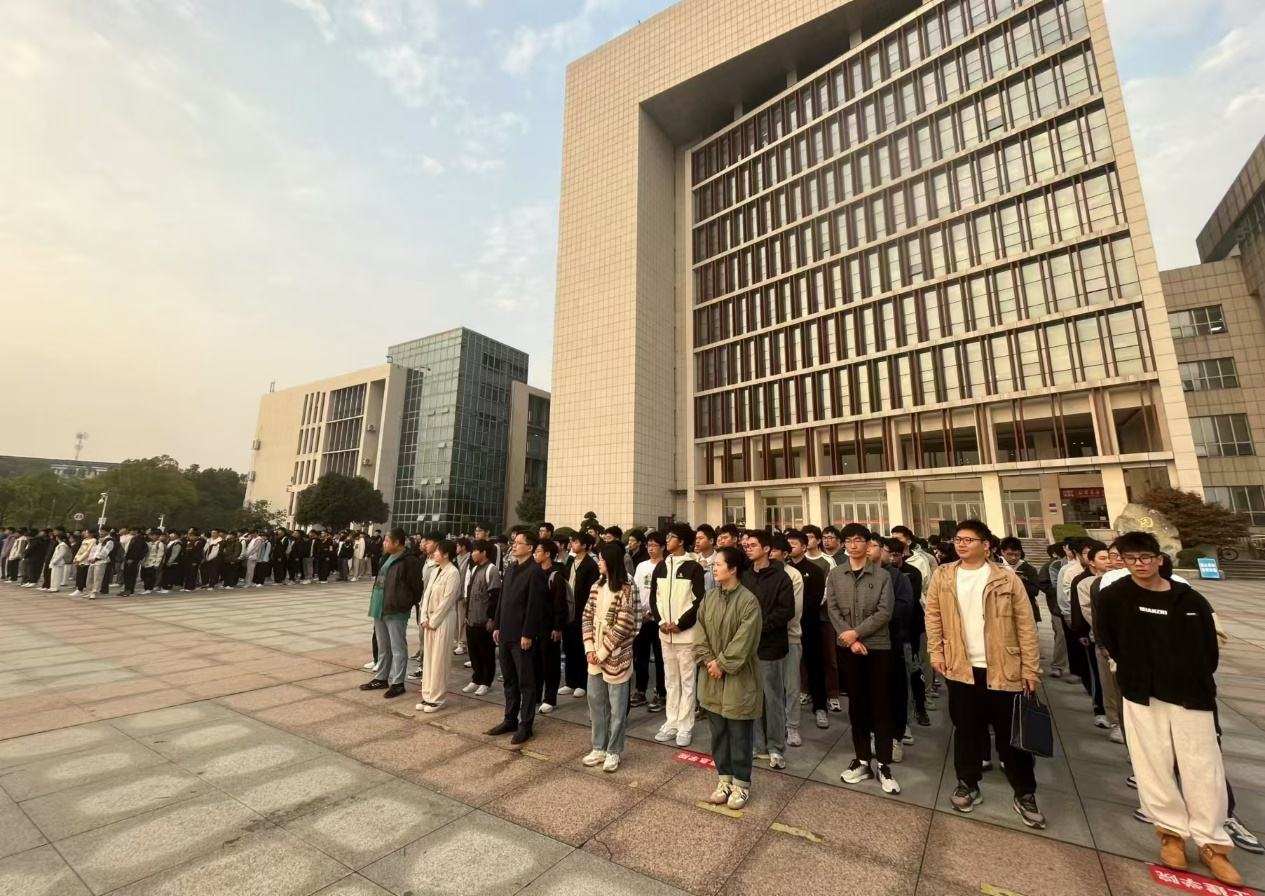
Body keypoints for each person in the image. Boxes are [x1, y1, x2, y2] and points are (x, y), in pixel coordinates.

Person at [1096, 531, 1241, 886]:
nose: (1139, 564)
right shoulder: (1114, 596)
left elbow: (1208, 648)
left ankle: (1211, 842)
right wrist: (1131, 671)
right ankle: (1171, 832)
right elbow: (1108, 638)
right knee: (1152, 764)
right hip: (1142, 692)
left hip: (1191, 693)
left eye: (1145, 557)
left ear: (1159, 559)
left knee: (1203, 766)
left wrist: (1191, 674)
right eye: (1131, 558)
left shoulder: (1187, 597)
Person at [925, 520, 1044, 828]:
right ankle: (968, 783)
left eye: (969, 540)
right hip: (961, 668)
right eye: (958, 540)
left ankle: (1025, 792)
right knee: (966, 731)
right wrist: (936, 653)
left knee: (1011, 736)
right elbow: (933, 616)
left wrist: (1030, 668)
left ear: (986, 545)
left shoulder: (1005, 578)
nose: (961, 544)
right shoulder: (944, 575)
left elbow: (1026, 626)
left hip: (1004, 668)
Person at [827, 524, 899, 794]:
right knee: (856, 705)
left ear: (868, 544)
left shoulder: (882, 576)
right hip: (848, 647)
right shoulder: (835, 574)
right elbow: (833, 608)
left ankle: (884, 764)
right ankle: (862, 760)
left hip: (877, 647)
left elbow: (884, 612)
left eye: (858, 540)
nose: (853, 545)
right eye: (849, 541)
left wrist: (857, 633)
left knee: (881, 705)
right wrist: (851, 639)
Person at [695, 545, 762, 810]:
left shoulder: (748, 601)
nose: (714, 568)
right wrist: (709, 661)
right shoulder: (709, 597)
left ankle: (741, 784)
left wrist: (722, 664)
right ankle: (724, 779)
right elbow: (700, 632)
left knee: (739, 733)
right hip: (711, 676)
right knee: (719, 733)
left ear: (733, 569)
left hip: (738, 678)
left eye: (719, 564)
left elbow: (745, 641)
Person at [487, 531, 550, 745]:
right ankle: (510, 719)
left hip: (522, 636)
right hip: (505, 632)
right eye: (514, 543)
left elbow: (535, 606)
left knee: (526, 682)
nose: (514, 546)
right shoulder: (512, 567)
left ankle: (526, 725)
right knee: (509, 680)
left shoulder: (535, 572)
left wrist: (528, 633)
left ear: (530, 548)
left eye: (519, 543)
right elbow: (503, 599)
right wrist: (497, 625)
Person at [580, 542, 637, 773]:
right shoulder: (597, 585)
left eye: (602, 559)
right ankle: (599, 747)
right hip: (595, 654)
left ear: (611, 562)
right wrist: (589, 648)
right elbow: (587, 616)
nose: (599, 562)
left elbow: (624, 624)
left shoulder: (627, 588)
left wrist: (602, 652)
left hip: (616, 656)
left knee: (617, 707)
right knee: (595, 702)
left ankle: (614, 750)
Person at [741, 529, 795, 771]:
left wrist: (758, 626)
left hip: (770, 645)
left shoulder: (781, 577)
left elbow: (786, 611)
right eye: (746, 545)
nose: (748, 548)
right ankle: (757, 744)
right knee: (751, 697)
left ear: (766, 549)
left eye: (753, 545)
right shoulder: (745, 575)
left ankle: (775, 747)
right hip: (746, 645)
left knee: (772, 698)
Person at [651, 523, 705, 747]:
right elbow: (655, 598)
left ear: (681, 541)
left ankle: (685, 726)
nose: (667, 540)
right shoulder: (661, 567)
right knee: (671, 680)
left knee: (687, 681)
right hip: (665, 634)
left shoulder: (694, 568)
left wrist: (681, 624)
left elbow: (698, 600)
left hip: (686, 636)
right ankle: (671, 722)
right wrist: (661, 622)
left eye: (671, 537)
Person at [360, 528, 423, 700]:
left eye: (387, 540)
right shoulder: (386, 557)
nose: (384, 543)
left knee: (397, 647)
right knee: (383, 646)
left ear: (396, 542)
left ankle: (398, 682)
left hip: (396, 609)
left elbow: (416, 587)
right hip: (379, 607)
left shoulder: (410, 560)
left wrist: (405, 603)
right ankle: (381, 678)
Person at [786, 529, 828, 730]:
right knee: (789, 669)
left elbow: (815, 599)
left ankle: (820, 707)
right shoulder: (783, 570)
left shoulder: (814, 570)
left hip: (809, 624)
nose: (789, 547)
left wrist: (798, 615)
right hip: (788, 627)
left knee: (815, 665)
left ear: (804, 547)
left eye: (793, 544)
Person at [414, 539, 462, 713]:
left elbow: (448, 600)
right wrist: (424, 617)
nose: (434, 553)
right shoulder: (435, 570)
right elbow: (426, 595)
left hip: (443, 620)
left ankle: (438, 698)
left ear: (446, 554)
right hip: (429, 620)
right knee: (429, 659)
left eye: (437, 551)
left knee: (439, 660)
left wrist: (433, 621)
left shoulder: (453, 572)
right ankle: (427, 695)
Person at [768, 533, 806, 747]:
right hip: (765, 638)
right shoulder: (760, 573)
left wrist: (768, 624)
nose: (770, 554)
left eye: (774, 550)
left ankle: (792, 726)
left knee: (791, 686)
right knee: (770, 686)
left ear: (784, 554)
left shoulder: (793, 575)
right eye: (768, 549)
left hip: (789, 636)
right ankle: (775, 725)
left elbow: (794, 611)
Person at [560, 532, 599, 699]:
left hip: (582, 611)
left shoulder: (590, 564)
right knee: (569, 647)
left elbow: (592, 591)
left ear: (584, 545)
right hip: (568, 610)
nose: (572, 544)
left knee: (581, 648)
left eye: (575, 542)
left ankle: (582, 683)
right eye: (572, 541)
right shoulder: (570, 561)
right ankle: (570, 682)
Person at [533, 538, 569, 713]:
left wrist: (557, 627)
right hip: (535, 626)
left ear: (547, 554)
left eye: (538, 551)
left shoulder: (556, 576)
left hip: (550, 628)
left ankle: (550, 698)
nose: (535, 554)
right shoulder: (535, 573)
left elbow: (560, 605)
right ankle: (535, 695)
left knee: (550, 664)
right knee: (536, 663)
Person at [462, 539, 501, 696]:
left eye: (475, 551)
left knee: (486, 653)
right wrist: (467, 615)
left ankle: (486, 682)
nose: (472, 554)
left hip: (484, 621)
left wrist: (491, 618)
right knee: (474, 652)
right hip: (471, 619)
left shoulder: (491, 570)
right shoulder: (475, 569)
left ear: (484, 553)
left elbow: (495, 596)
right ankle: (476, 678)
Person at [86, 529, 116, 599]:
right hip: (93, 561)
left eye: (103, 531)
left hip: (101, 561)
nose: (101, 533)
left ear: (107, 532)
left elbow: (105, 551)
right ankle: (89, 591)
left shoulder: (109, 541)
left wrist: (97, 558)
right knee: (90, 577)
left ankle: (94, 592)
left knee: (97, 577)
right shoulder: (99, 540)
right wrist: (90, 558)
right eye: (100, 531)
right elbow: (93, 550)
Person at [70, 529, 96, 597]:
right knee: (79, 574)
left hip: (86, 560)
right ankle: (79, 588)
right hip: (80, 559)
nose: (85, 533)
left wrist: (80, 559)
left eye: (87, 532)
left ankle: (81, 589)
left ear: (91, 533)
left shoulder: (93, 540)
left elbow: (88, 551)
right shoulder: (84, 540)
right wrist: (76, 558)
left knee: (83, 575)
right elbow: (80, 550)